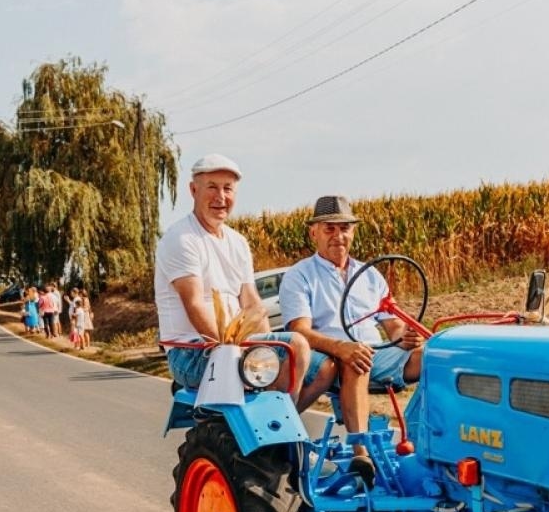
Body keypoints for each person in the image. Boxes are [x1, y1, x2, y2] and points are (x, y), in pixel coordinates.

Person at [154, 153, 325, 408]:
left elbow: (252, 304)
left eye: (228, 189)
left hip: (236, 345)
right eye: (212, 187)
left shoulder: (238, 242)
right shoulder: (181, 239)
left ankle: (278, 425)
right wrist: (233, 352)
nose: (220, 197)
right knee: (297, 344)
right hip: (192, 351)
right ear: (193, 190)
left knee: (325, 366)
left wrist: (268, 344)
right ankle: (274, 428)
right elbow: (194, 305)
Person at [280, 194, 423, 485]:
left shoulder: (369, 276)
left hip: (374, 351)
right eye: (329, 228)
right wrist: (342, 348)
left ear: (353, 231)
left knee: (436, 357)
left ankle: (424, 442)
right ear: (314, 233)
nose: (338, 236)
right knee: (357, 358)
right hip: (327, 354)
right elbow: (300, 331)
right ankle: (362, 454)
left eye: (344, 228)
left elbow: (392, 325)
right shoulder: (300, 275)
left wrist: (404, 336)